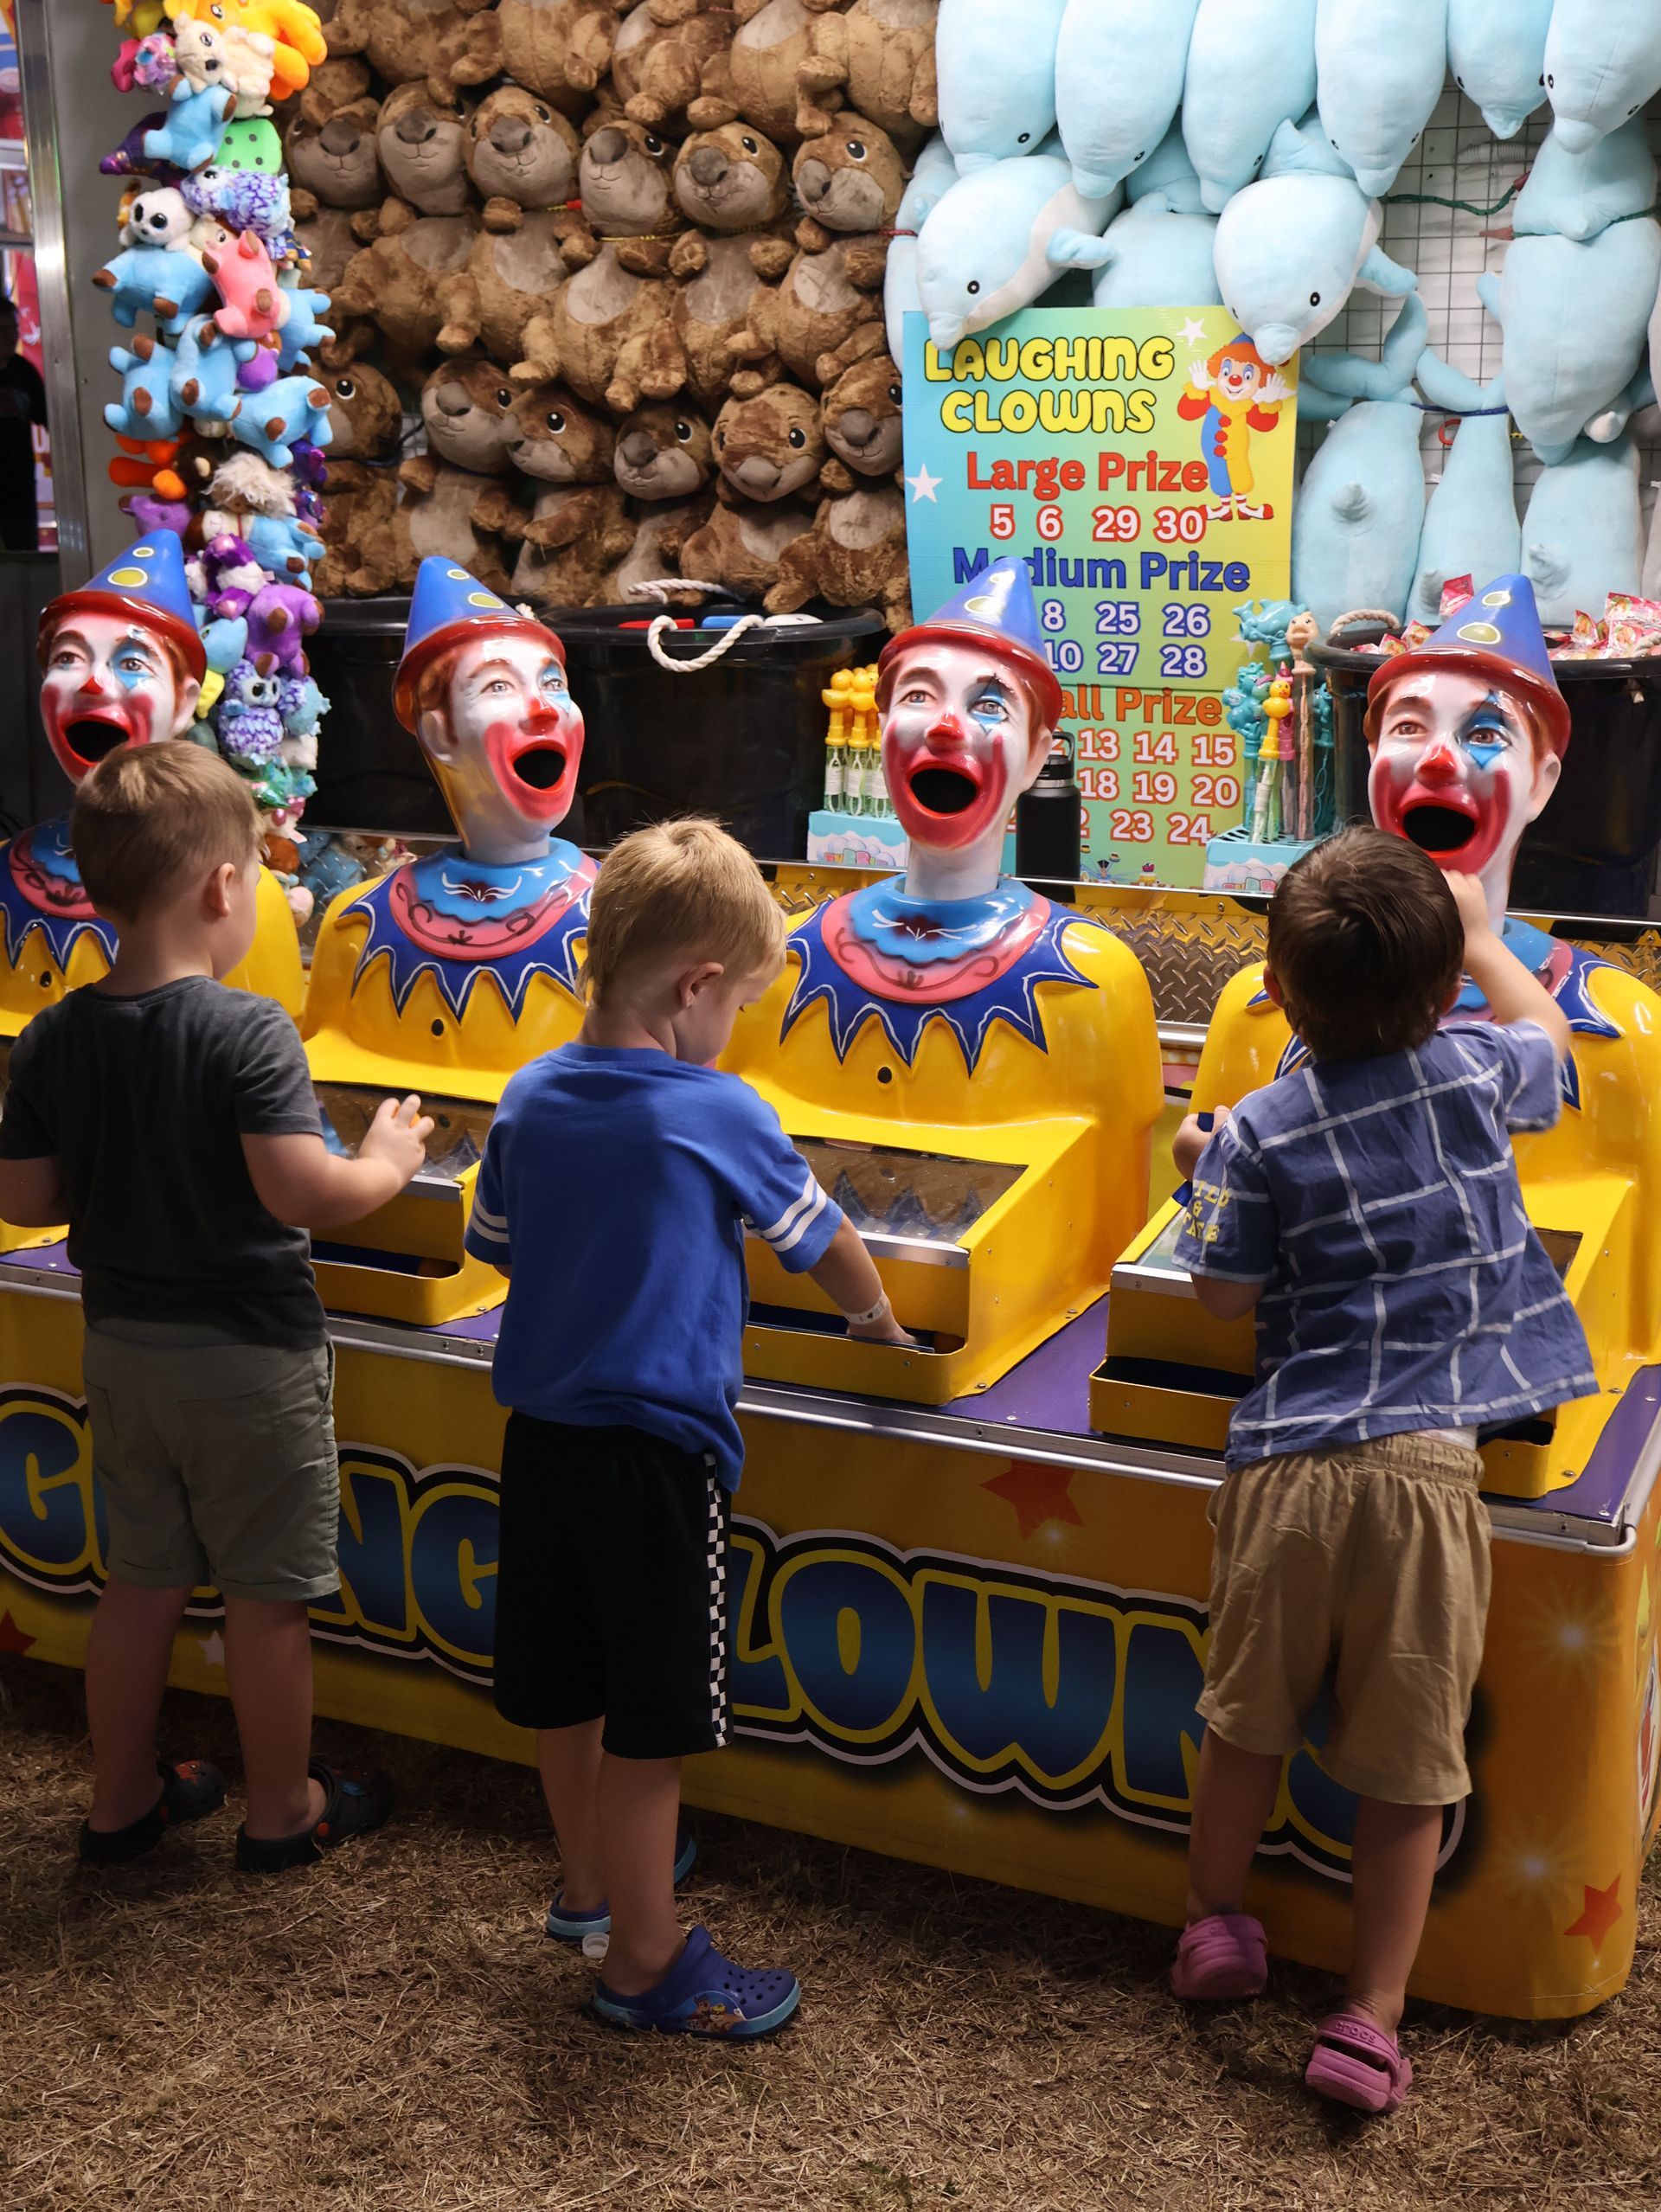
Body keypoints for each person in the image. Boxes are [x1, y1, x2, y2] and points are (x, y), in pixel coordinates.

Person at [1168, 827, 1594, 2114]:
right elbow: (1557, 1056)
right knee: (1410, 1766)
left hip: (1290, 1466)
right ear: (1437, 992)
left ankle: (1215, 1928)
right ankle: (1371, 2012)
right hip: (1424, 1473)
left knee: (1246, 1719)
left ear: (1278, 990)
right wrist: (1483, 941)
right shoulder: (1473, 1065)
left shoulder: (1257, 1128)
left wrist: (1205, 1173)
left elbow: (1225, 1296)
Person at [465, 817, 911, 2039]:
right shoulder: (722, 1111)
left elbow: (488, 1245)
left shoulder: (528, 1094)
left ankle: (588, 1889)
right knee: (655, 1722)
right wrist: (880, 1329)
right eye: (742, 1002)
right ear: (696, 985)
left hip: (542, 1442)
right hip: (660, 1459)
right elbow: (823, 1244)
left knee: (568, 1693)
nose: (735, 1030)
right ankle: (647, 1963)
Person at [0, 745, 433, 1870]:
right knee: (265, 1596)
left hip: (125, 1353)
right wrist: (385, 1159)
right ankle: (284, 1809)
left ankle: (123, 1797)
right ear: (222, 888)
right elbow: (306, 1192)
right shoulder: (248, 1032)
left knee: (139, 1583)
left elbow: (28, 1196)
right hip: (248, 1361)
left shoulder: (54, 1034)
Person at [0, 298, 48, 553]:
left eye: (13, 329)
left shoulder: (23, 372)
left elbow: (48, 417)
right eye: (2, 330)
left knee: (23, 555)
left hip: (19, 488)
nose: (11, 336)